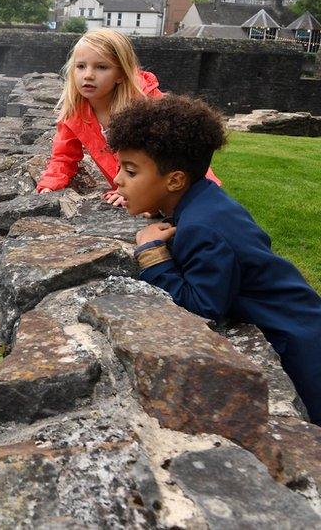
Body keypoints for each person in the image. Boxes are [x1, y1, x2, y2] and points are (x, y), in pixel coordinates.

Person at [109, 95, 321, 423]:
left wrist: (152, 256)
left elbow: (202, 307)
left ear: (175, 180)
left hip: (300, 347)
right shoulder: (202, 203)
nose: (117, 180)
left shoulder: (203, 228)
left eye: (130, 171)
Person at [36, 29, 221, 205]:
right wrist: (50, 185)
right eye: (81, 66)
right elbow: (64, 156)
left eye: (101, 67)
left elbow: (164, 157)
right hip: (147, 195)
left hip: (187, 188)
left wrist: (128, 190)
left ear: (121, 74)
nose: (88, 75)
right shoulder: (75, 113)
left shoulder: (147, 105)